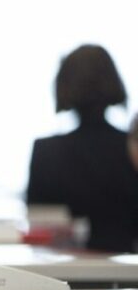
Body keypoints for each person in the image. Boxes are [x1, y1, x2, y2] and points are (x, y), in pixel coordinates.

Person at [26, 44, 138, 252]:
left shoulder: (45, 152)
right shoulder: (131, 148)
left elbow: (39, 227)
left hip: (64, 271)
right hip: (129, 269)